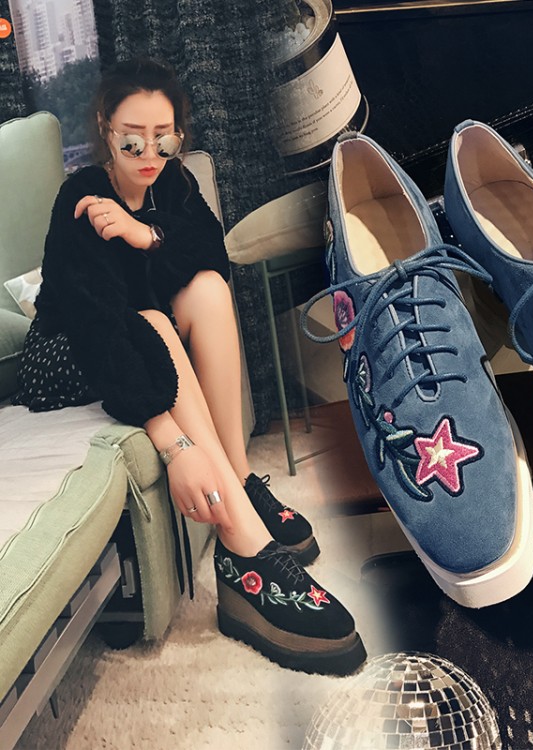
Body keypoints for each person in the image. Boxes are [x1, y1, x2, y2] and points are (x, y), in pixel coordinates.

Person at [12, 57, 365, 676]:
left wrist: (143, 234)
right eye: (132, 140)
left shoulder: (171, 185)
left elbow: (210, 255)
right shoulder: (81, 198)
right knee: (151, 321)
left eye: (164, 139)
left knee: (208, 289)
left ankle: (237, 477)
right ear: (105, 129)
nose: (148, 154)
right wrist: (173, 445)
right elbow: (100, 328)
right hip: (65, 353)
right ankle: (243, 547)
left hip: (139, 332)